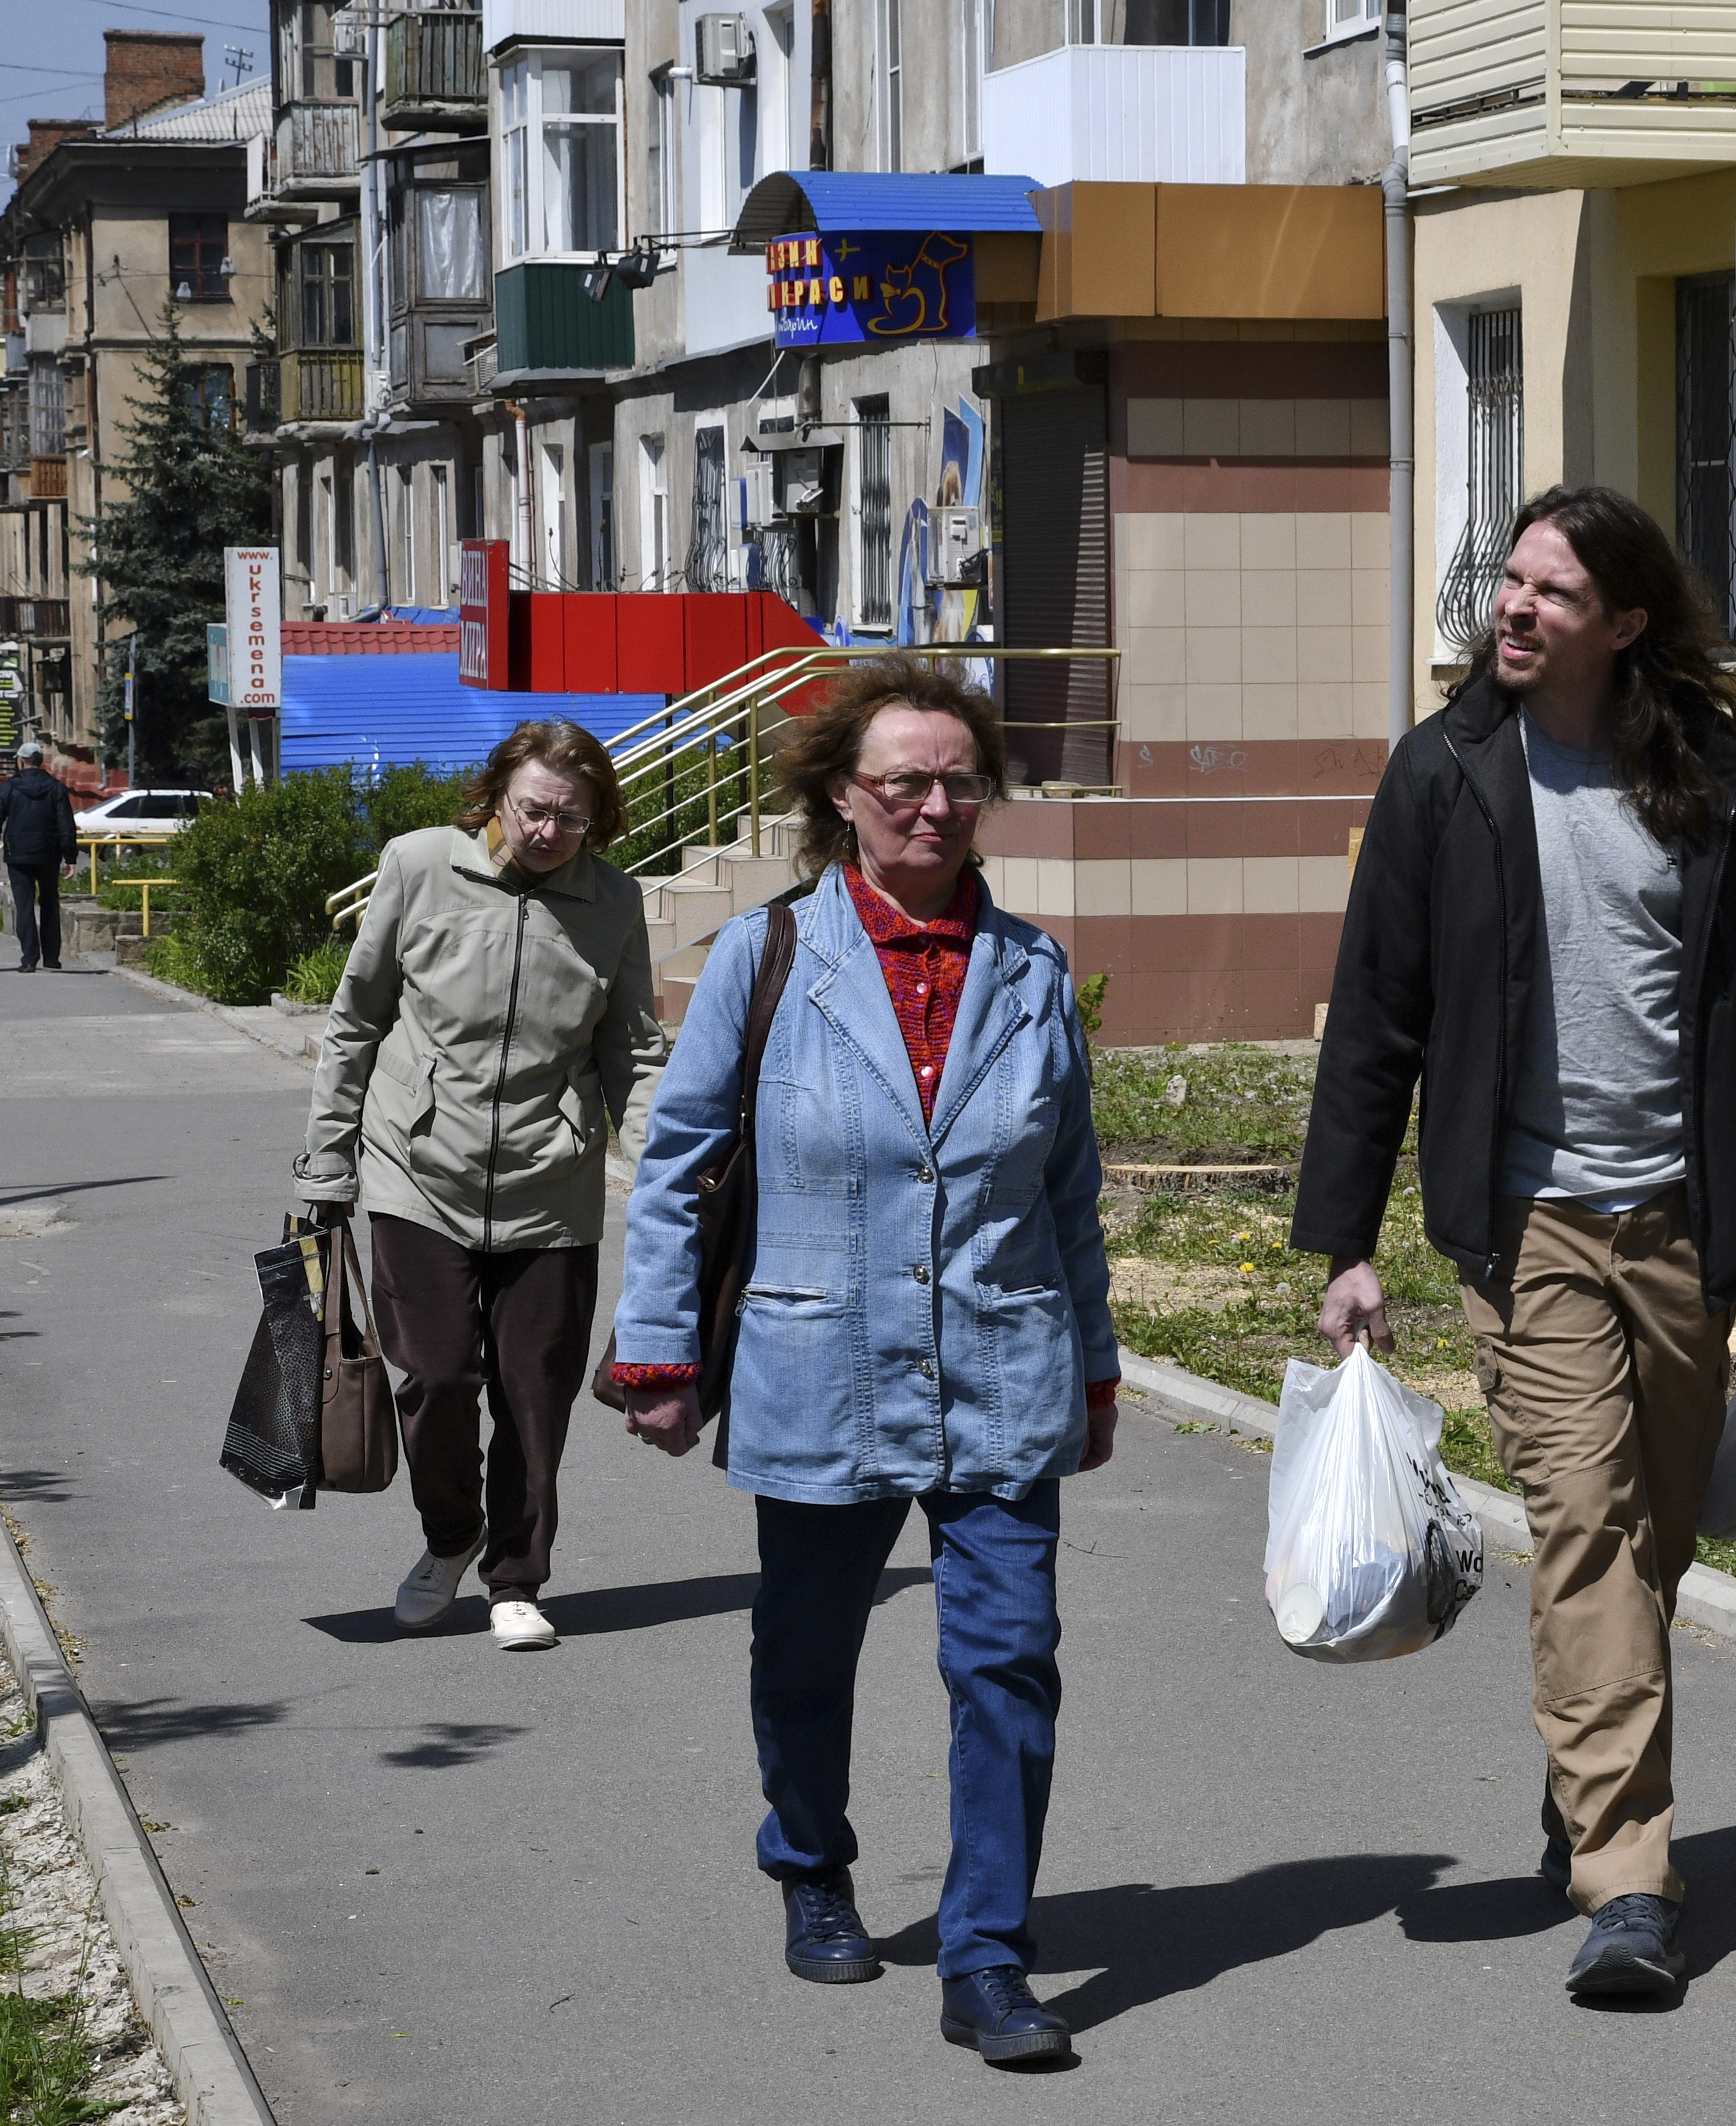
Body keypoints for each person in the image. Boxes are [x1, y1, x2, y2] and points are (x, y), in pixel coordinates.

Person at [1291, 485, 1736, 1999]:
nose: (1510, 606)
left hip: (1689, 1222)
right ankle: (1630, 1878)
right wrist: (1343, 1239)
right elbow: (1377, 1015)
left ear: (1621, 624)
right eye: (1508, 579)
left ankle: (1583, 1783)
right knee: (1588, 1522)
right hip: (1528, 1224)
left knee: (1659, 1522)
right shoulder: (1447, 774)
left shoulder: (1719, 780)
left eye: (1550, 591)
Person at [610, 656, 1119, 2069]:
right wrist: (657, 1344)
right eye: (905, 780)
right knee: (808, 1647)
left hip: (1003, 1369)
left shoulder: (1030, 970)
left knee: (1011, 1658)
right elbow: (676, 1168)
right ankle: (811, 1854)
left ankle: (988, 1954)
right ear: (845, 793)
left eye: (960, 780)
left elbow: (1068, 1189)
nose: (935, 804)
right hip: (817, 1360)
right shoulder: (766, 958)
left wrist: (1093, 1364)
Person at [296, 720, 668, 1652]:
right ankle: (449, 1534)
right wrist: (326, 1159)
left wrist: (667, 1167)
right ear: (497, 794)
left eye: (571, 819)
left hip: (554, 1181)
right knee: (435, 1377)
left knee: (533, 1394)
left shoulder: (613, 903)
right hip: (417, 1168)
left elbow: (632, 1050)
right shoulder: (419, 866)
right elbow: (358, 1019)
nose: (548, 831)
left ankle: (516, 1575)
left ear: (598, 820)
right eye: (534, 809)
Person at [1, 739, 78, 973]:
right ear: (41, 762)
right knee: (49, 903)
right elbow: (66, 824)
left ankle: (29, 958)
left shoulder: (9, 788)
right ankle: (52, 957)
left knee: (24, 906)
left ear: (21, 762)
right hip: (49, 855)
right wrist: (71, 857)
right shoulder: (56, 787)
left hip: (18, 856)